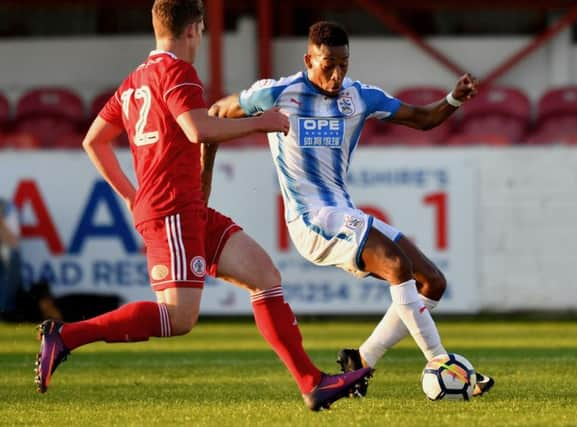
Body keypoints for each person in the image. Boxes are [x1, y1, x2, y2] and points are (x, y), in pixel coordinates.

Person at [35, 3, 370, 411]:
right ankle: (66, 336)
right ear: (195, 28)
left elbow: (95, 140)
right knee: (178, 318)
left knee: (264, 275)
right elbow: (197, 128)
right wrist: (258, 122)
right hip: (171, 210)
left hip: (186, 206)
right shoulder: (178, 72)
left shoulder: (134, 81)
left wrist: (128, 194)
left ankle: (312, 383)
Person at [210, 21, 493, 397]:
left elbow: (422, 119)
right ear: (309, 59)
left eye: (344, 64)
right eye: (329, 64)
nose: (338, 73)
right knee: (396, 265)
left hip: (344, 210)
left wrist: (453, 98)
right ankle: (441, 361)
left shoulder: (358, 96)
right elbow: (214, 114)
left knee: (432, 281)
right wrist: (207, 172)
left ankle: (361, 360)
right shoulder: (276, 93)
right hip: (312, 220)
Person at [0, 198, 23, 319]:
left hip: (4, 244)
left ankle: (4, 310)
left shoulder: (6, 206)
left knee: (11, 256)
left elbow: (13, 241)